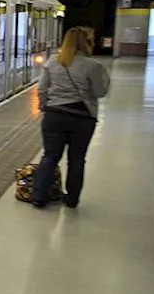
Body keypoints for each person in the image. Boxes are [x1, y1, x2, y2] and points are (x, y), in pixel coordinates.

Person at [31, 27, 110, 208]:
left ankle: (38, 196)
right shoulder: (93, 66)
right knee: (77, 159)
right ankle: (72, 199)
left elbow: (42, 89)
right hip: (83, 119)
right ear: (87, 43)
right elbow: (100, 92)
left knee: (50, 156)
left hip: (54, 115)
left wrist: (44, 106)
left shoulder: (52, 62)